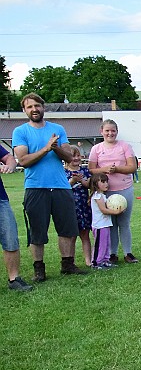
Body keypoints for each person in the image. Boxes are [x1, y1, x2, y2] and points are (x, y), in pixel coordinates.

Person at [12, 92, 86, 281]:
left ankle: (67, 264)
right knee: (37, 231)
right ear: (24, 110)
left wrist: (56, 147)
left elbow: (69, 157)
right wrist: (46, 148)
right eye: (30, 107)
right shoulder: (20, 132)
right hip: (36, 187)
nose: (34, 109)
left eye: (37, 106)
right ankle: (39, 269)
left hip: (61, 186)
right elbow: (23, 160)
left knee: (68, 229)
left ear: (43, 108)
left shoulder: (58, 129)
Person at [88, 119, 139, 264]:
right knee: (110, 223)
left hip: (124, 189)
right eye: (107, 130)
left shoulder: (124, 146)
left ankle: (128, 252)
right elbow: (91, 169)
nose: (110, 133)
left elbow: (132, 167)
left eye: (113, 130)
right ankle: (112, 253)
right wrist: (104, 170)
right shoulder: (96, 148)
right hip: (106, 192)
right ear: (101, 131)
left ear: (117, 131)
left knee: (124, 222)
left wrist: (116, 169)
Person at [0, 146, 33, 291]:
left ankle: (14, 279)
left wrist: (10, 166)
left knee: (10, 237)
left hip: (1, 200)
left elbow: (9, 158)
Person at [65, 145, 93, 267]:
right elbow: (63, 187)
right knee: (71, 236)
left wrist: (82, 181)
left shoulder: (85, 171)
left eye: (77, 155)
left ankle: (88, 260)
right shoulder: (63, 172)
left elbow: (90, 185)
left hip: (83, 206)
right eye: (72, 156)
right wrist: (72, 181)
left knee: (85, 235)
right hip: (70, 207)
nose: (76, 158)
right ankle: (70, 261)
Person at [89, 173, 124, 269]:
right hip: (99, 225)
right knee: (100, 244)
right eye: (103, 182)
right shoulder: (97, 196)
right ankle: (96, 262)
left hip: (105, 224)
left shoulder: (103, 196)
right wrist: (116, 212)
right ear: (95, 184)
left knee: (106, 243)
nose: (106, 184)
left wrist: (119, 208)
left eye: (107, 182)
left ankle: (105, 260)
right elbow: (104, 210)